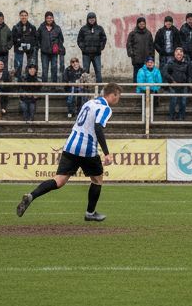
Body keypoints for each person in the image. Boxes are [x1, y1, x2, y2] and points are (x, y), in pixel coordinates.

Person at [16, 83, 122, 223]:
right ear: (113, 94)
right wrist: (107, 153)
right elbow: (97, 127)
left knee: (59, 181)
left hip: (70, 145)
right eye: (118, 96)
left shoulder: (90, 102)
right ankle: (90, 213)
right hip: (87, 148)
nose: (118, 99)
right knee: (97, 179)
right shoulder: (105, 108)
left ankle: (32, 195)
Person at [162, 46, 192, 121]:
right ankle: (172, 116)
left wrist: (190, 83)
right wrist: (172, 81)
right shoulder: (170, 63)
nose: (179, 55)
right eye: (177, 53)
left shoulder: (187, 63)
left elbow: (190, 74)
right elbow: (165, 73)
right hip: (173, 85)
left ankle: (181, 116)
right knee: (173, 100)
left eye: (180, 53)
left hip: (183, 85)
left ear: (183, 54)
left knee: (183, 101)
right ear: (174, 54)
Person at [77, 12, 107, 82]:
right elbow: (79, 40)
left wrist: (101, 47)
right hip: (86, 55)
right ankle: (85, 90)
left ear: (95, 19)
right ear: (87, 19)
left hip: (97, 54)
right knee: (85, 72)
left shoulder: (99, 28)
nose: (91, 20)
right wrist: (83, 49)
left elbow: (104, 38)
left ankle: (99, 89)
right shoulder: (83, 29)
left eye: (93, 18)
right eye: (90, 18)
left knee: (98, 71)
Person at [37, 11, 65, 84]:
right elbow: (37, 38)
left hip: (54, 53)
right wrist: (41, 46)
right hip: (44, 53)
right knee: (45, 69)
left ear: (53, 18)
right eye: (48, 18)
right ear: (45, 19)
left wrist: (57, 46)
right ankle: (44, 85)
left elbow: (61, 40)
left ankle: (54, 85)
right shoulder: (41, 27)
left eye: (51, 18)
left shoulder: (57, 28)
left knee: (54, 69)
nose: (49, 19)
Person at [11, 10, 38, 79]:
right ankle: (18, 81)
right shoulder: (15, 27)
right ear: (20, 16)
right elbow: (12, 38)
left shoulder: (32, 27)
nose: (24, 17)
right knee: (18, 65)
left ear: (27, 16)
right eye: (22, 15)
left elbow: (35, 39)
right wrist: (19, 43)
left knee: (31, 65)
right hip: (18, 49)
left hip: (30, 49)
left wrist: (31, 45)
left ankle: (29, 79)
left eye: (25, 15)